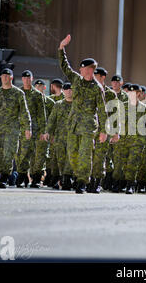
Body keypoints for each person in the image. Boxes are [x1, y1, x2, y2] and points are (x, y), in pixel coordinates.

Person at [57, 34, 108, 194]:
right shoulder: (77, 80)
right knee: (72, 154)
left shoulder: (97, 88)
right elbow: (65, 67)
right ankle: (79, 176)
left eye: (83, 68)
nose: (80, 70)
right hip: (73, 125)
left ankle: (82, 182)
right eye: (80, 68)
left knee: (85, 155)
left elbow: (102, 109)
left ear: (90, 70)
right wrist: (61, 48)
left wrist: (103, 131)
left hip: (88, 127)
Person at [0, 68, 32, 189]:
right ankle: (3, 174)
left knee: (9, 153)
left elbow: (24, 112)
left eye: (7, 76)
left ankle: (4, 177)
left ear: (11, 77)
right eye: (3, 76)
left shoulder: (18, 93)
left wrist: (27, 128)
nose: (5, 78)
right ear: (1, 78)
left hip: (12, 128)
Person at [15, 70, 47, 188]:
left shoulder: (37, 95)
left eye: (29, 78)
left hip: (35, 129)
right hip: (21, 129)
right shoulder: (18, 93)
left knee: (36, 155)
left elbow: (41, 114)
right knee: (22, 153)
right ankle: (22, 176)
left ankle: (36, 178)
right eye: (25, 78)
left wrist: (43, 131)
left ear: (32, 79)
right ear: (22, 79)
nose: (27, 80)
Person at [45, 83, 74, 191]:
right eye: (66, 90)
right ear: (63, 91)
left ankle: (67, 178)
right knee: (60, 159)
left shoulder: (77, 104)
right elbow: (52, 120)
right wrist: (48, 132)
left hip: (73, 137)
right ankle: (63, 178)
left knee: (70, 159)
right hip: (60, 137)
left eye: (71, 90)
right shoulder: (58, 104)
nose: (69, 91)